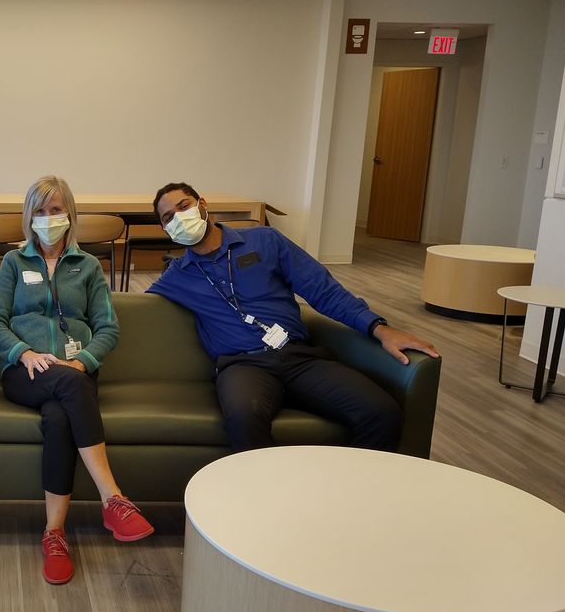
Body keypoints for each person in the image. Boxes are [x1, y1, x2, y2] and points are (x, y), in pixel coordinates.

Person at [148, 182, 439, 453]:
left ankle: (346, 494)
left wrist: (378, 328)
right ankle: (271, 504)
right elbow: (125, 308)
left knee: (382, 413)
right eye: (168, 217)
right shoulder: (177, 275)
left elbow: (322, 290)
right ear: (165, 229)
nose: (179, 218)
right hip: (243, 365)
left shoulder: (264, 240)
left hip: (300, 358)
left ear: (202, 204)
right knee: (243, 418)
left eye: (184, 206)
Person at [0, 175, 153, 586]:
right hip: (25, 373)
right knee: (69, 389)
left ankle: (54, 534)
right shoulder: (13, 263)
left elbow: (107, 328)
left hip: (75, 374)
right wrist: (23, 353)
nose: (48, 218)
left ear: (69, 214)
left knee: (59, 419)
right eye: (40, 211)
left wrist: (87, 360)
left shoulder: (88, 266)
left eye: (56, 209)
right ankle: (113, 499)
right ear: (28, 217)